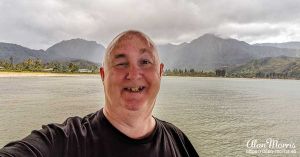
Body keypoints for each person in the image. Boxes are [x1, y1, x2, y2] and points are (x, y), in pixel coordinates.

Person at [0, 30, 199, 157]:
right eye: (121, 63)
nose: (134, 74)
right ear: (103, 75)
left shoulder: (177, 140)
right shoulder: (65, 141)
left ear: (160, 72)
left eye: (145, 62)